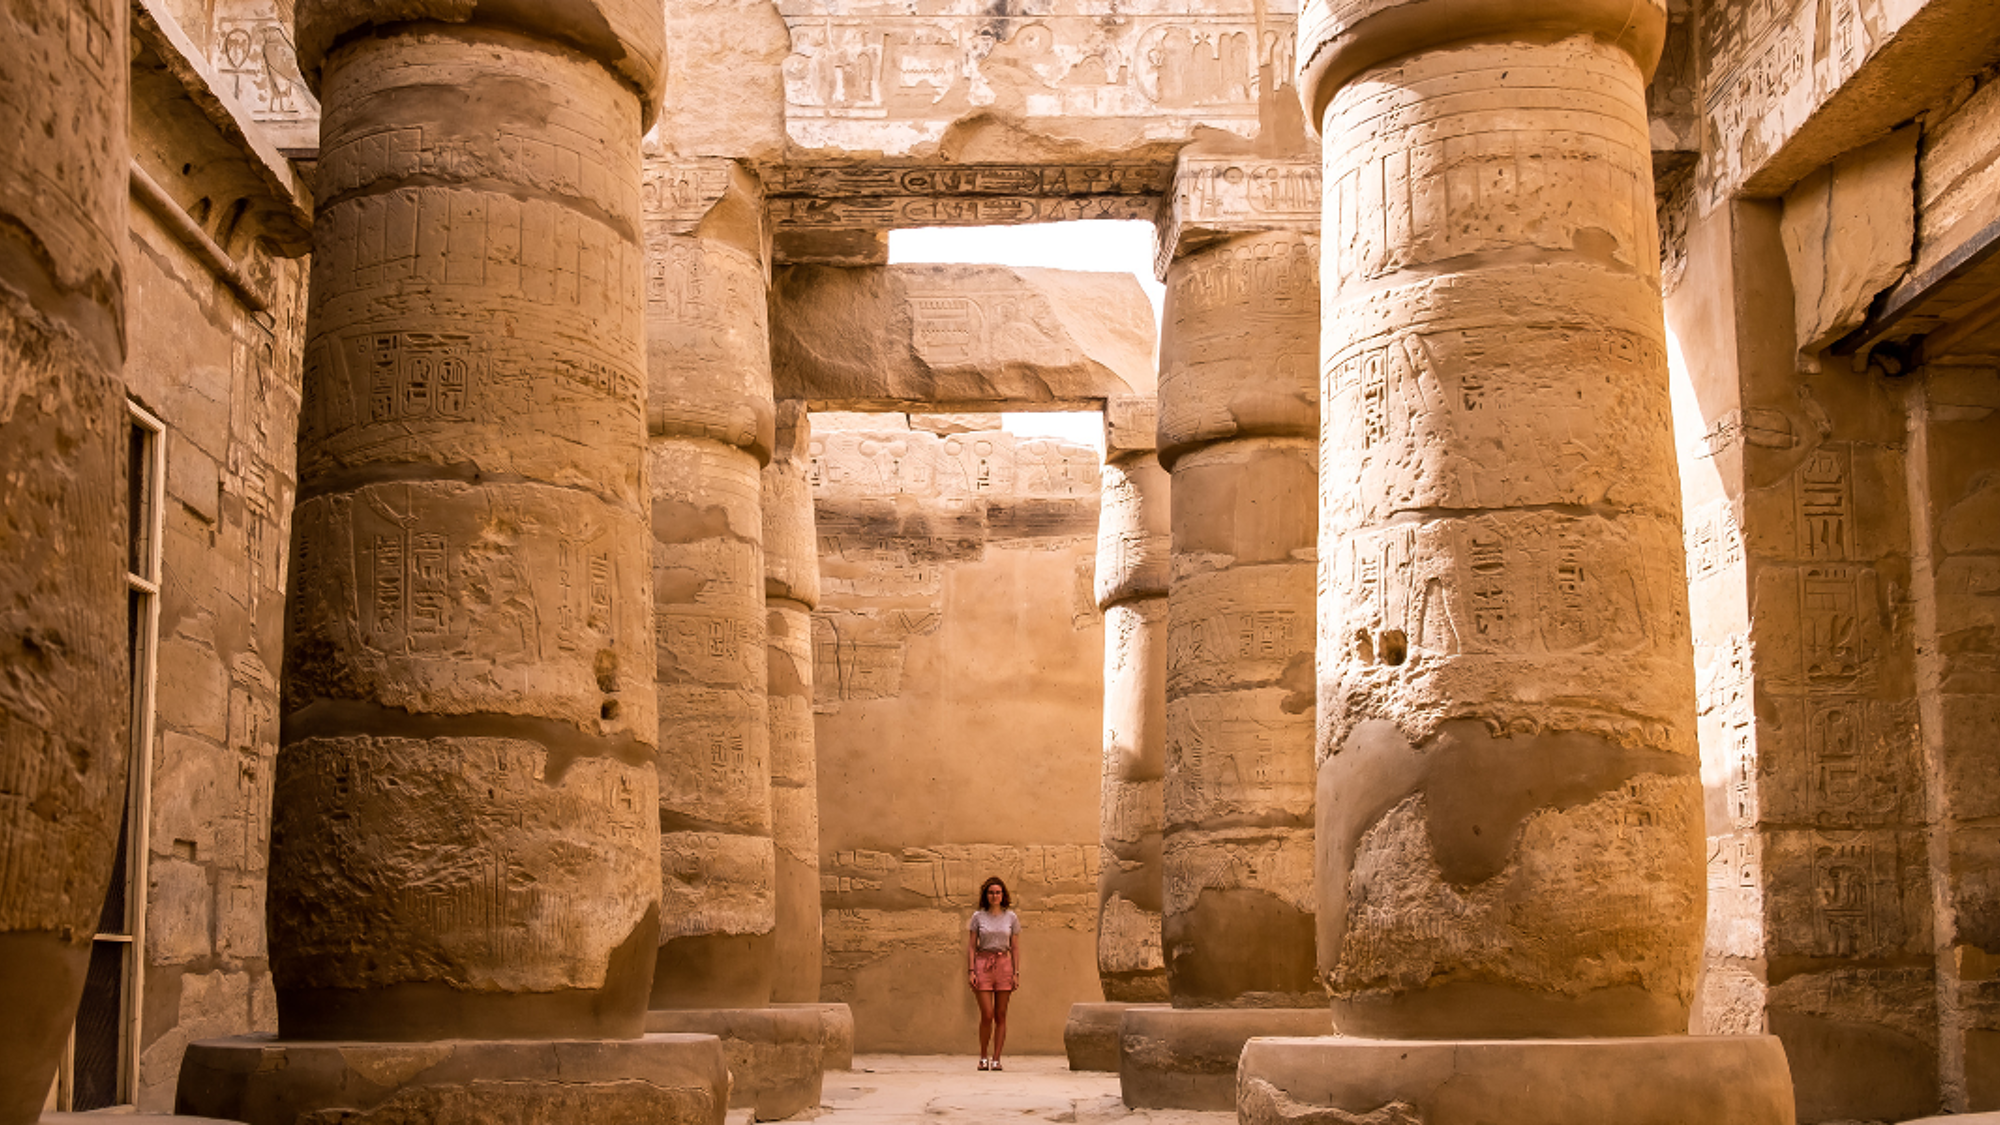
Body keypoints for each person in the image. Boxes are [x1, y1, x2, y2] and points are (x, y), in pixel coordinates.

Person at [967, 875, 1021, 1071]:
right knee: (987, 1014)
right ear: (986, 895)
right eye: (991, 892)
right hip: (983, 964)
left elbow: (1015, 947)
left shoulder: (1011, 917)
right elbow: (972, 946)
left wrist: (1016, 972)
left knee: (1001, 1014)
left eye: (998, 892)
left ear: (1003, 895)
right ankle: (983, 1056)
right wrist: (971, 970)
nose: (994, 895)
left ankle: (996, 1058)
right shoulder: (977, 917)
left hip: (1004, 965)